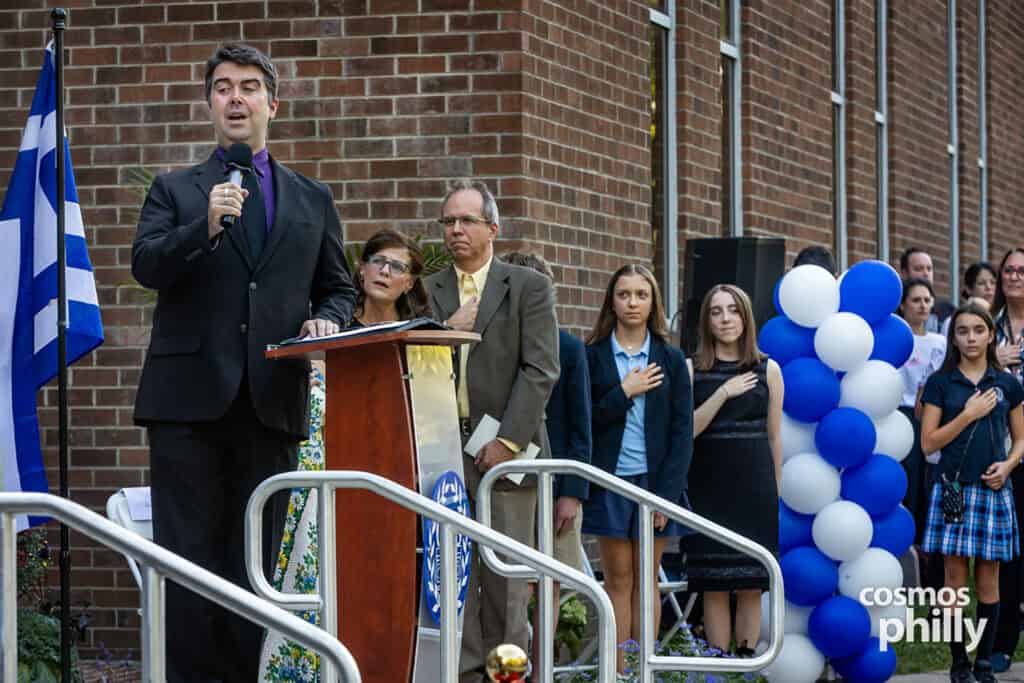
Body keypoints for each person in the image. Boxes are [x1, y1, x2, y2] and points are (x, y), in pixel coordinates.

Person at [131, 44, 356, 682]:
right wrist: (201, 228)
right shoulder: (176, 190)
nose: (236, 98)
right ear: (209, 105)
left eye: (249, 87)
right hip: (187, 406)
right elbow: (146, 265)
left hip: (271, 402)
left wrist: (329, 319)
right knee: (189, 563)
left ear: (271, 104)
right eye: (224, 87)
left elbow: (337, 286)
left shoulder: (312, 199)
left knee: (253, 563)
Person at [258, 229, 428, 680]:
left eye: (397, 267)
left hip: (393, 477)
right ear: (361, 267)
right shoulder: (329, 327)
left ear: (410, 282)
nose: (384, 272)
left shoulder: (417, 337)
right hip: (326, 473)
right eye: (377, 261)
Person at [424, 180, 560, 683]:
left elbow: (541, 369)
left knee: (505, 577)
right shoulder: (428, 289)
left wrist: (507, 440)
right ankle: (463, 675)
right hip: (441, 448)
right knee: (454, 575)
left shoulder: (527, 286)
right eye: (448, 222)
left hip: (506, 448)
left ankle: (507, 676)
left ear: (492, 228)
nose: (455, 231)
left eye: (466, 221)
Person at [583, 264, 693, 676]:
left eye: (641, 295)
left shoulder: (669, 357)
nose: (632, 302)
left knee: (647, 581)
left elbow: (683, 433)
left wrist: (666, 494)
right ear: (612, 300)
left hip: (655, 484)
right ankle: (619, 671)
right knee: (619, 580)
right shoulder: (592, 355)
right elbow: (587, 420)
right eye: (624, 294)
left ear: (653, 303)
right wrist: (623, 392)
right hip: (610, 480)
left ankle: (640, 669)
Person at [920, 302, 1024, 683]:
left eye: (978, 330)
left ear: (990, 334)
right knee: (953, 580)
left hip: (993, 490)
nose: (971, 338)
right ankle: (959, 662)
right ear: (954, 338)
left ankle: (984, 661)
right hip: (954, 490)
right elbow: (928, 443)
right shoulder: (941, 383)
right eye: (962, 331)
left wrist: (1009, 465)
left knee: (989, 579)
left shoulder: (1008, 383)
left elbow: (1021, 438)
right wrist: (967, 414)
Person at [500, 250, 592, 672]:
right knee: (506, 581)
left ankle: (542, 668)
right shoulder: (493, 343)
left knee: (550, 579)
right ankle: (508, 669)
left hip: (553, 482)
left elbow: (580, 425)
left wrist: (572, 493)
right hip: (503, 480)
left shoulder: (569, 347)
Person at [684, 284, 783, 655]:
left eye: (733, 311)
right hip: (708, 485)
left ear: (745, 317)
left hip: (754, 487)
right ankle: (718, 667)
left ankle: (744, 665)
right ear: (706, 321)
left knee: (750, 581)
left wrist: (776, 490)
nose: (725, 319)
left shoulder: (769, 369)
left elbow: (775, 437)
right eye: (716, 312)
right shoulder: (691, 368)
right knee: (713, 583)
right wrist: (723, 392)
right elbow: (687, 431)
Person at [896, 278, 947, 590]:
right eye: (915, 300)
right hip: (901, 415)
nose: (922, 306)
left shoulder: (940, 342)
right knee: (909, 479)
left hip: (930, 415)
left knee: (928, 481)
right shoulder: (897, 338)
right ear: (903, 304)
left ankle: (928, 556)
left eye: (927, 300)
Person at [988, 247, 1024, 672]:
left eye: (1021, 271)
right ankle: (1003, 640)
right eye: (1009, 271)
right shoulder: (988, 324)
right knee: (1008, 549)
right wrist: (994, 360)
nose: (1014, 277)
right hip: (998, 446)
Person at [900, 247, 954, 333]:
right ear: (904, 273)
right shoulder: (893, 311)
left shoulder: (948, 311)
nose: (926, 273)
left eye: (929, 269)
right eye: (918, 269)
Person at [941, 262, 997, 337]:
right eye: (981, 283)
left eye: (993, 283)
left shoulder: (1003, 320)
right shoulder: (953, 322)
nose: (989, 287)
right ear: (969, 289)